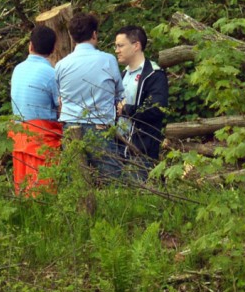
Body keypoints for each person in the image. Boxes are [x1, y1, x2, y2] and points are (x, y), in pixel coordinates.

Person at [55, 12, 124, 181]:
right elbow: (119, 92)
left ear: (72, 37)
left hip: (70, 126)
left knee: (77, 182)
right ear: (94, 34)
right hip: (100, 126)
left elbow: (58, 99)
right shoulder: (108, 60)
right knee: (113, 181)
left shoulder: (61, 65)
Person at [9, 25, 64, 193]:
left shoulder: (17, 69)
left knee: (24, 187)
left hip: (19, 135)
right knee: (44, 190)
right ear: (54, 49)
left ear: (30, 45)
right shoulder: (51, 73)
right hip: (41, 137)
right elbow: (62, 108)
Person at [114, 25, 169, 182]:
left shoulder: (154, 74)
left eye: (120, 45)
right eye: (116, 46)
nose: (116, 50)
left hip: (142, 150)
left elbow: (156, 110)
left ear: (136, 45)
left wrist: (126, 109)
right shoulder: (123, 74)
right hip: (120, 147)